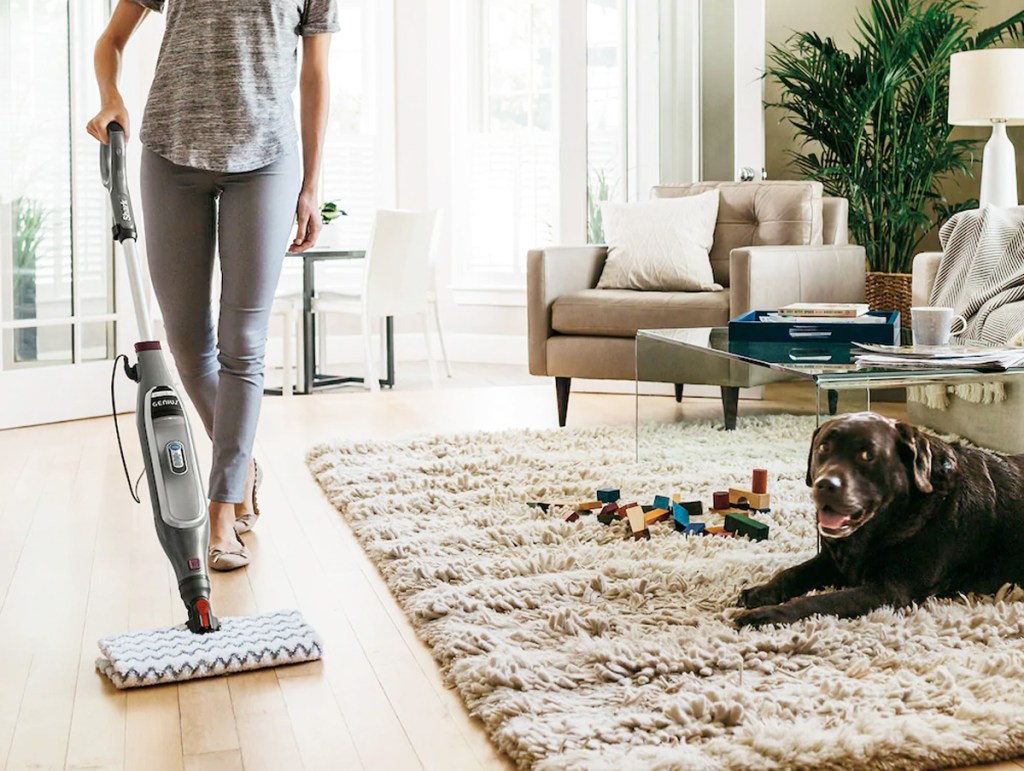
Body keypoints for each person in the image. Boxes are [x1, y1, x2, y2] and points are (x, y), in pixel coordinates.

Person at [87, 0, 337, 570]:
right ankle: (242, 462)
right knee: (185, 342)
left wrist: (311, 185)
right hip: (171, 152)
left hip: (267, 160)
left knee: (242, 342)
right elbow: (112, 41)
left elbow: (316, 73)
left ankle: (222, 511)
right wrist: (111, 97)